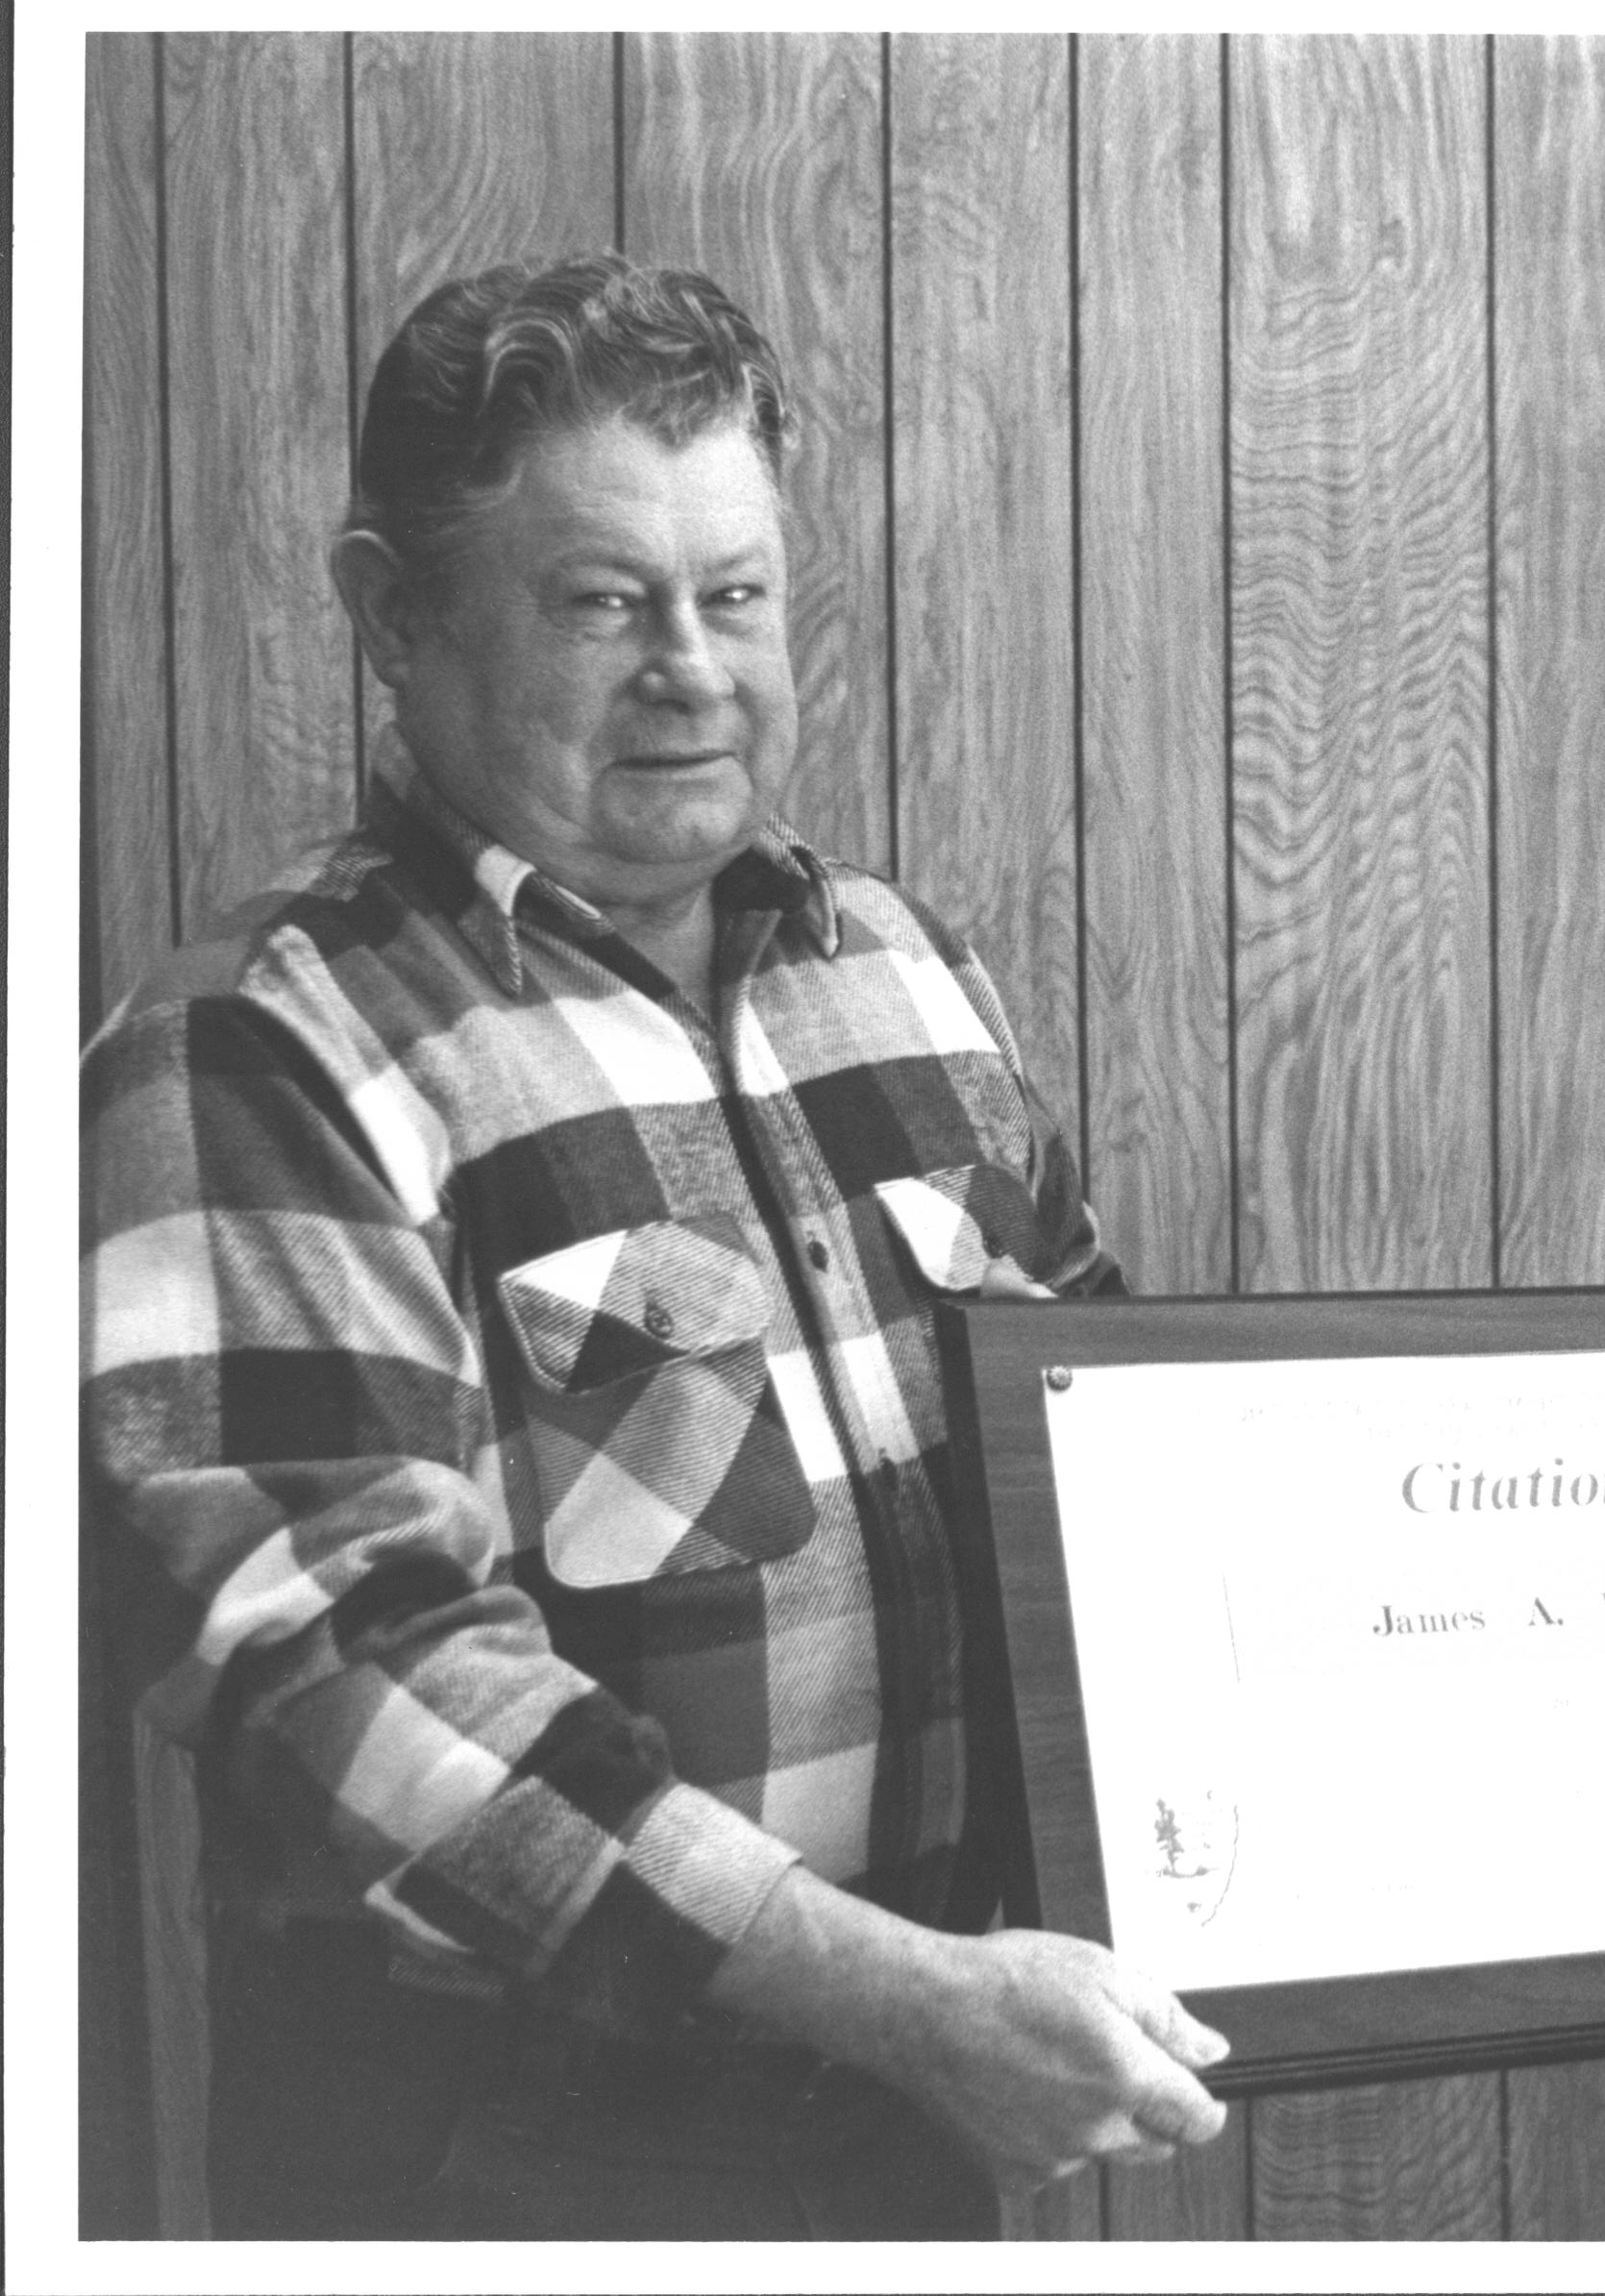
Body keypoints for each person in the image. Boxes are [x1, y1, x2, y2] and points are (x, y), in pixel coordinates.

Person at [81, 253, 1228, 2238]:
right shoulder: (257, 1048)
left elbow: (1113, 1491)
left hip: (929, 2118)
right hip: (504, 2166)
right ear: (394, 615)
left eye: (739, 592)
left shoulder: (906, 969)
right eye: (604, 598)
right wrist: (908, 2000)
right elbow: (349, 1684)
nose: (693, 664)